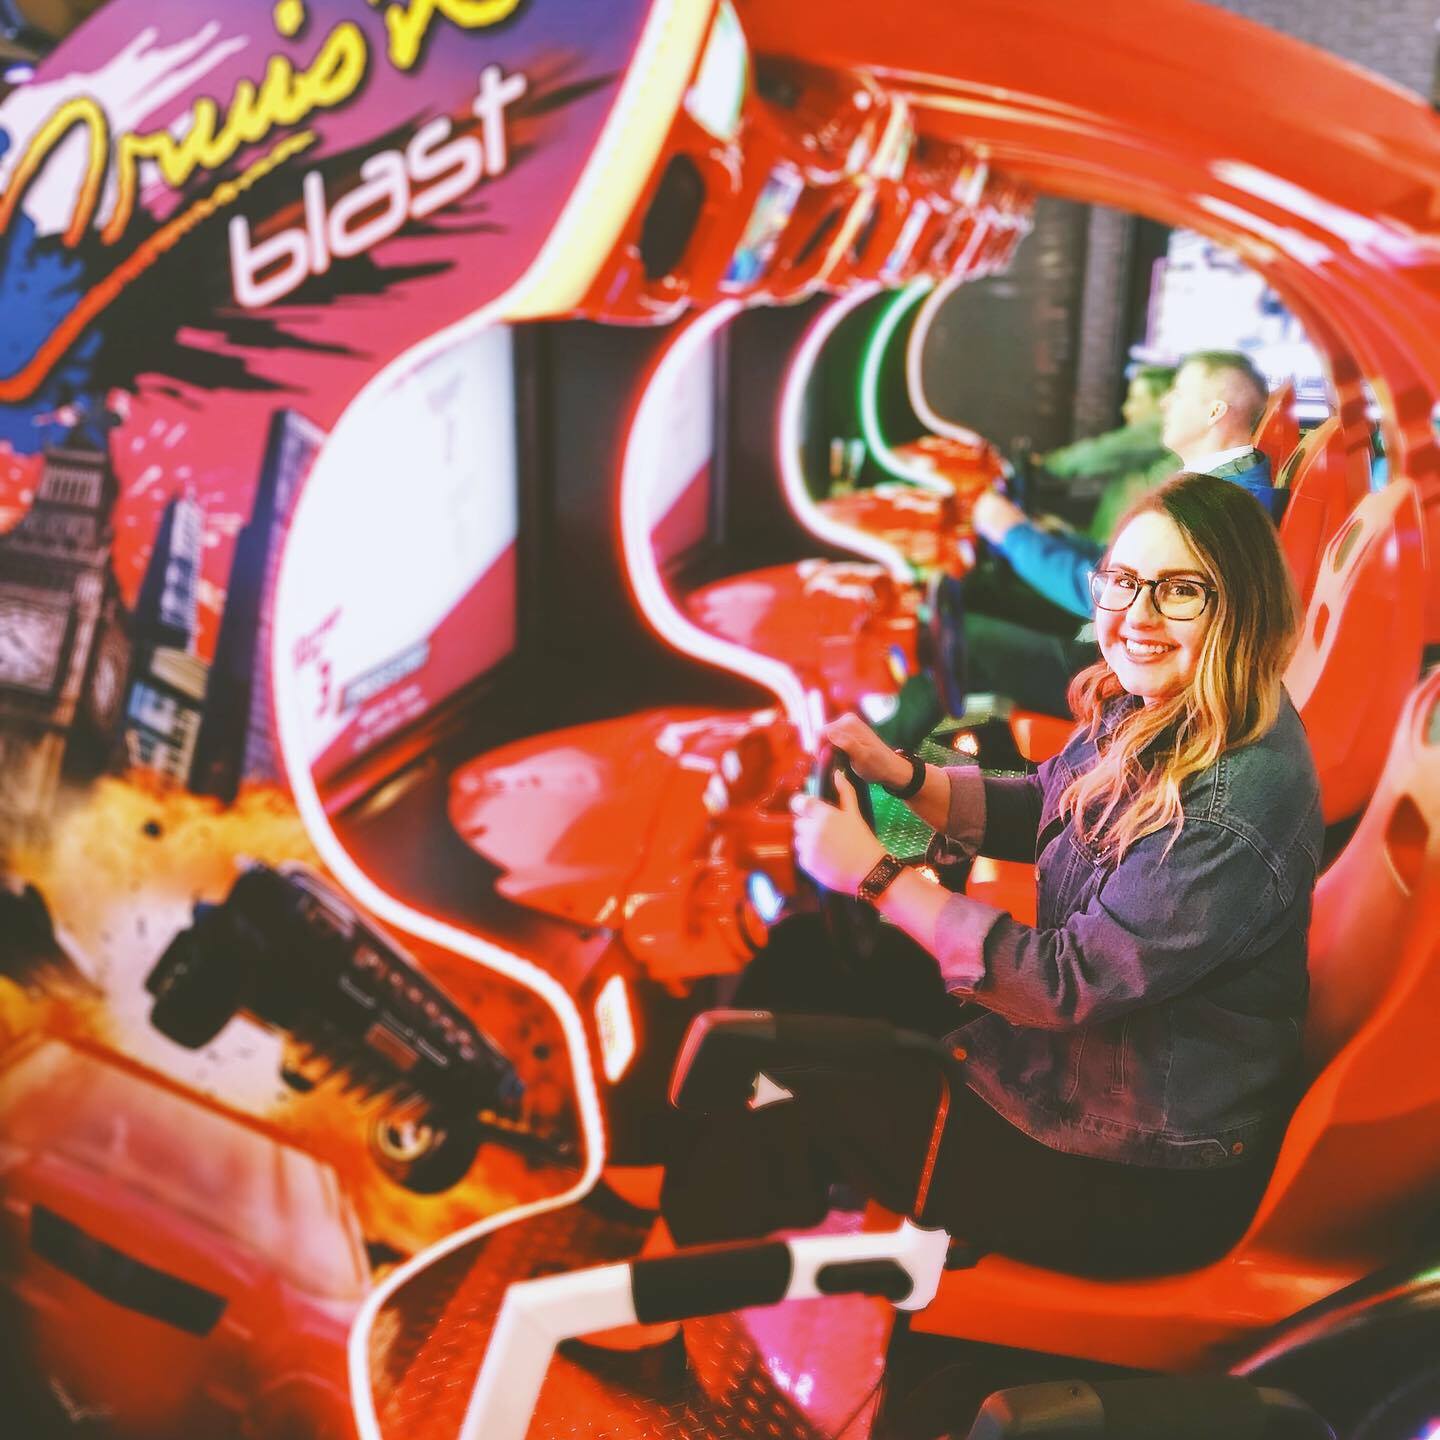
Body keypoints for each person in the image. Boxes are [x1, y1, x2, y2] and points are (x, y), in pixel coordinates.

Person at [662, 473, 1322, 1276]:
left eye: (1181, 591)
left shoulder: (1227, 805)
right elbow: (1053, 800)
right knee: (802, 958)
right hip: (1096, 1072)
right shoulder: (1168, 703)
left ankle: (662, 1293)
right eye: (1122, 581)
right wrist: (904, 777)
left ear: (1240, 605)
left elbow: (1062, 984)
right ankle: (676, 1165)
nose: (1136, 616)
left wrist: (875, 876)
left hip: (1128, 1169)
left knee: (786, 1091)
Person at [955, 350, 1279, 716]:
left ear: (1214, 412)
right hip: (1119, 639)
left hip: (1127, 666)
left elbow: (1113, 596)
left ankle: (895, 767)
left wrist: (1010, 532)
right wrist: (1047, 537)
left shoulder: (1220, 503)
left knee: (958, 637)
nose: (1166, 403)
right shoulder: (1213, 481)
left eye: (1180, 393)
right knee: (973, 592)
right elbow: (1121, 569)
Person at [1040, 363, 1178, 542]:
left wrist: (1047, 463)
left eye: (1135, 399)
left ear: (1162, 402)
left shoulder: (1158, 429)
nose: (1126, 410)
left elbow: (1094, 456)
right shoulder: (1149, 456)